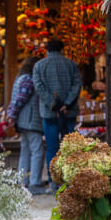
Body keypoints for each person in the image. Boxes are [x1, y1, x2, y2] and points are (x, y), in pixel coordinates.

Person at [32, 38, 82, 189]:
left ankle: (53, 181)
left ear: (47, 50)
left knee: (52, 147)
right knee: (69, 146)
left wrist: (53, 104)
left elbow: (39, 87)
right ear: (62, 49)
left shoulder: (39, 66)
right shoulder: (72, 64)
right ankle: (70, 179)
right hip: (69, 111)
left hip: (49, 112)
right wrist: (67, 104)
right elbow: (77, 85)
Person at [6, 57, 46, 193]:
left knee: (25, 151)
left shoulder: (19, 79)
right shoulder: (29, 80)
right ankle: (35, 182)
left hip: (23, 121)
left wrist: (11, 115)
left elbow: (14, 100)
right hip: (30, 120)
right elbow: (20, 99)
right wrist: (12, 115)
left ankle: (22, 181)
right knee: (37, 151)